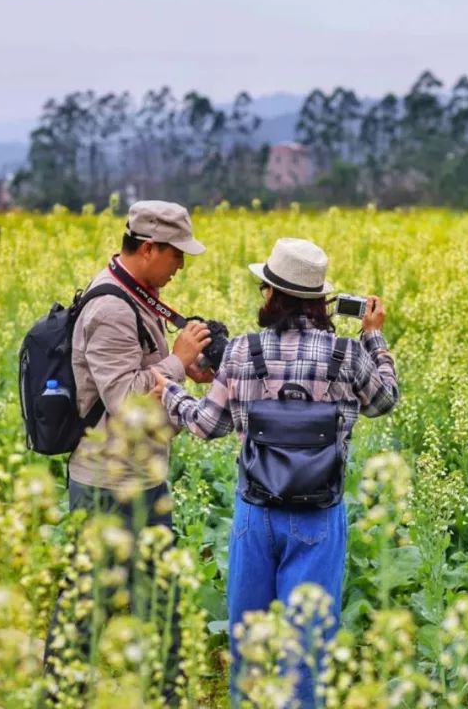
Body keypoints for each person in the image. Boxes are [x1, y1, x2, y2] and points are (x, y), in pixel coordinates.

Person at [151, 238, 399, 707]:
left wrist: (168, 391)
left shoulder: (243, 351)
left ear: (270, 294)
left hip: (256, 515)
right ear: (322, 301)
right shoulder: (348, 354)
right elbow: (385, 399)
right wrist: (373, 336)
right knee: (307, 655)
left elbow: (207, 425)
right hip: (318, 518)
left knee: (249, 645)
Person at [43, 199, 212, 702]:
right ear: (150, 247)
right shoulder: (112, 306)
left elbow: (143, 369)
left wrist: (188, 370)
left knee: (151, 598)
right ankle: (63, 693)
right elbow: (122, 399)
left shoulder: (135, 295)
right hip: (109, 482)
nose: (180, 264)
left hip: (136, 473)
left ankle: (161, 692)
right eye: (176, 253)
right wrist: (178, 363)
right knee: (90, 600)